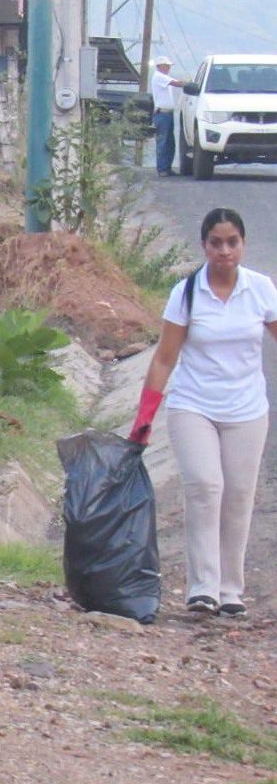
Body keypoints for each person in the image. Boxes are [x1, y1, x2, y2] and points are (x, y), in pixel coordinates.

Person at [129, 208, 277, 618]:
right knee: (205, 487)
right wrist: (144, 418)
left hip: (246, 409)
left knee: (239, 495)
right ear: (204, 246)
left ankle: (231, 590)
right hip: (194, 405)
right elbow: (164, 359)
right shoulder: (187, 293)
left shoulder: (261, 290)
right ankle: (203, 588)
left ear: (242, 245)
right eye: (216, 243)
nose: (224, 251)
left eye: (232, 242)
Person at [149, 55, 186, 177]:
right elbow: (176, 83)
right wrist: (189, 85)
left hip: (168, 114)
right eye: (167, 65)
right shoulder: (159, 77)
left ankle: (167, 168)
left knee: (170, 142)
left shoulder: (163, 77)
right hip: (162, 114)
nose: (169, 67)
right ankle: (162, 169)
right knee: (163, 142)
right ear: (160, 66)